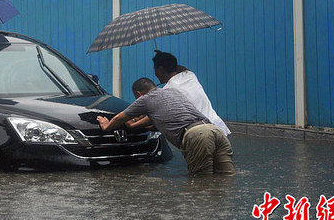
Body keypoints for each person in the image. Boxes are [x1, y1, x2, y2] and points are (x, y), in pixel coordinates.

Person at [97, 78, 235, 174]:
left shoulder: (145, 99)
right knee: (225, 177)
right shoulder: (172, 92)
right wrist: (139, 126)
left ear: (138, 94)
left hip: (197, 136)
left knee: (201, 183)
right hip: (214, 130)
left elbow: (121, 117)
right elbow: (161, 121)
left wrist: (107, 125)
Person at [153, 50, 232, 137]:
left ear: (160, 69)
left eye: (155, 69)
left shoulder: (167, 90)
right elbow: (180, 68)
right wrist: (165, 59)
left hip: (202, 134)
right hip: (218, 127)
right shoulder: (189, 75)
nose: (155, 73)